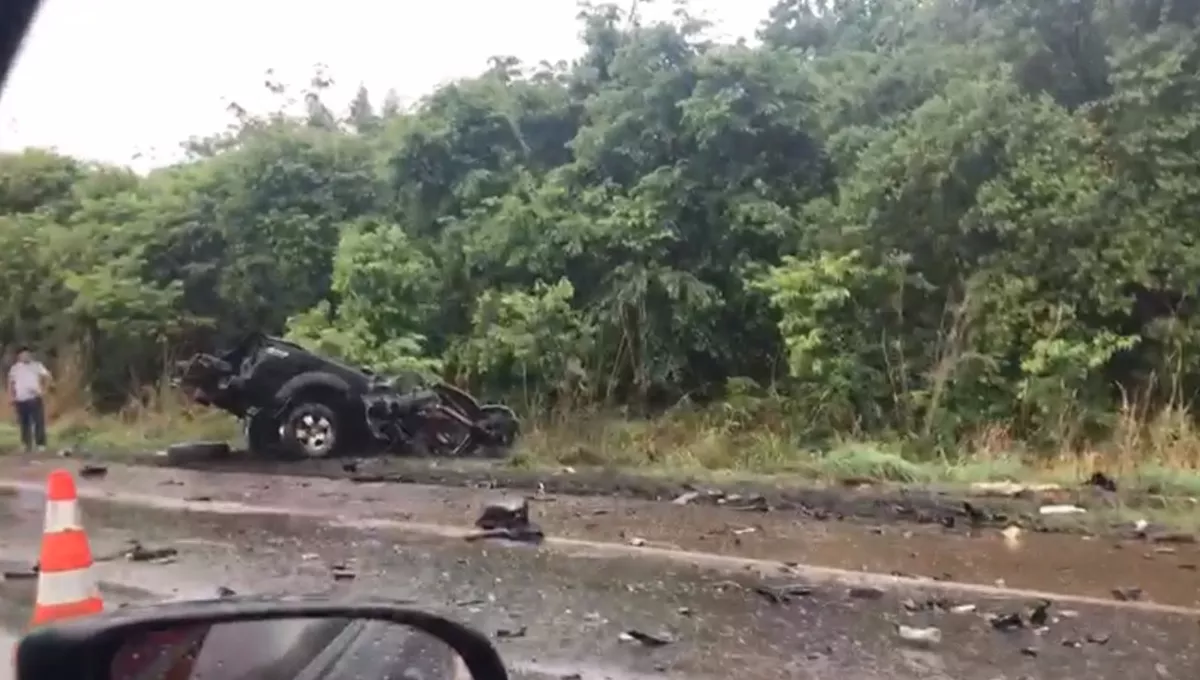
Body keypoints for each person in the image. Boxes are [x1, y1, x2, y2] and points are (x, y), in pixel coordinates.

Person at [8, 345, 51, 452]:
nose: (25, 357)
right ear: (19, 356)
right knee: (24, 423)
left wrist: (44, 390)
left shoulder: (37, 366)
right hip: (21, 398)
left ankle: (40, 444)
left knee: (38, 421)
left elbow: (48, 376)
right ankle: (26, 444)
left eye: (27, 354)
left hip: (34, 397)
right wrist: (11, 396)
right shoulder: (15, 368)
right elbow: (11, 383)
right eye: (22, 355)